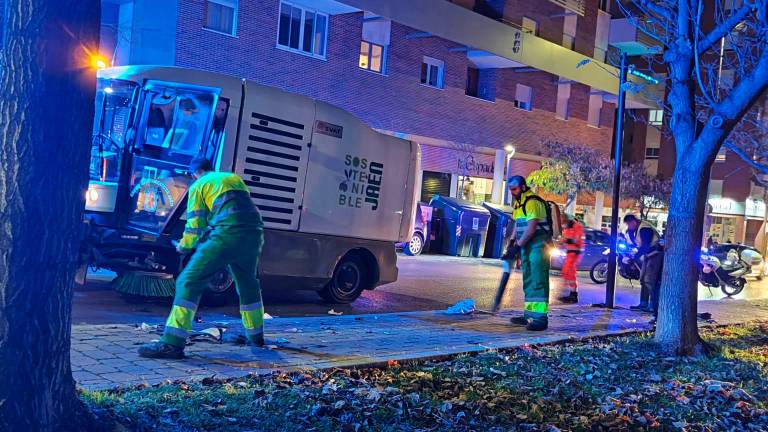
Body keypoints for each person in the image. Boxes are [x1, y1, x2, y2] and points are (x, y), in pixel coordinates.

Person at [138, 157, 265, 359]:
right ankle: (256, 337)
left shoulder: (198, 185)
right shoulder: (232, 178)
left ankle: (172, 343)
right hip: (253, 234)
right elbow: (231, 211)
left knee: (188, 281)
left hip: (226, 235)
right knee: (248, 285)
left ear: (194, 173)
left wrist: (184, 245)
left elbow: (195, 225)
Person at [502, 176, 551, 331]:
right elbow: (519, 224)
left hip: (538, 245)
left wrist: (518, 246)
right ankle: (529, 315)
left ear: (523, 187)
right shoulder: (519, 203)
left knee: (538, 280)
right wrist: (511, 242)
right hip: (527, 246)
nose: (512, 192)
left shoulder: (532, 202)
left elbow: (531, 228)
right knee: (529, 279)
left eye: (514, 189)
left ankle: (541, 319)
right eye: (510, 189)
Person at [623, 214, 663, 318]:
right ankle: (643, 303)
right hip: (648, 254)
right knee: (643, 278)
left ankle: (652, 305)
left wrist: (635, 257)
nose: (629, 226)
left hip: (655, 254)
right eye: (627, 224)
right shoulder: (636, 229)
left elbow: (645, 245)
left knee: (649, 280)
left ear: (634, 221)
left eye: (629, 224)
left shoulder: (645, 229)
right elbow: (636, 243)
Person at [557, 214, 584, 304]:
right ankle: (571, 293)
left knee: (570, 272)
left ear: (566, 219)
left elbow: (577, 240)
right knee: (566, 272)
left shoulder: (577, 226)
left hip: (575, 252)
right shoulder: (566, 228)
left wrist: (565, 240)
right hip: (570, 252)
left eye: (562, 221)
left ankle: (573, 295)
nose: (561, 223)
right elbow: (565, 240)